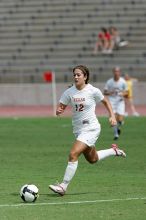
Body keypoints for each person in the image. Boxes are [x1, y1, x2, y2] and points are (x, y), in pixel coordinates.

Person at [49, 65, 126, 196]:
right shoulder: (69, 92)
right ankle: (114, 151)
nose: (76, 77)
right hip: (78, 130)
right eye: (74, 74)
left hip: (91, 128)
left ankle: (63, 186)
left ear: (85, 77)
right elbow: (61, 106)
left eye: (79, 74)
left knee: (73, 154)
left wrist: (112, 116)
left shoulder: (92, 90)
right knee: (92, 159)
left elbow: (106, 101)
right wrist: (59, 110)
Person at [104, 66, 128, 140]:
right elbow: (105, 92)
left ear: (119, 72)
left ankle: (118, 126)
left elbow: (127, 92)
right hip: (112, 101)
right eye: (115, 71)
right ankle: (116, 134)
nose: (116, 73)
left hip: (120, 101)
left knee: (120, 120)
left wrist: (122, 94)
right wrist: (111, 92)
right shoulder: (109, 81)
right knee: (113, 118)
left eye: (117, 71)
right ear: (113, 72)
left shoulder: (123, 81)